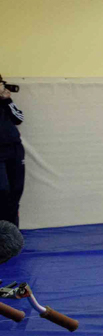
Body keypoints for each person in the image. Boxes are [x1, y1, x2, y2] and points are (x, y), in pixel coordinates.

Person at [0, 77, 25, 227]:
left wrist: (7, 100)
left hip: (14, 150)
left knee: (15, 192)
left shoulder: (5, 102)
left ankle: (12, 232)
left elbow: (19, 119)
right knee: (2, 191)